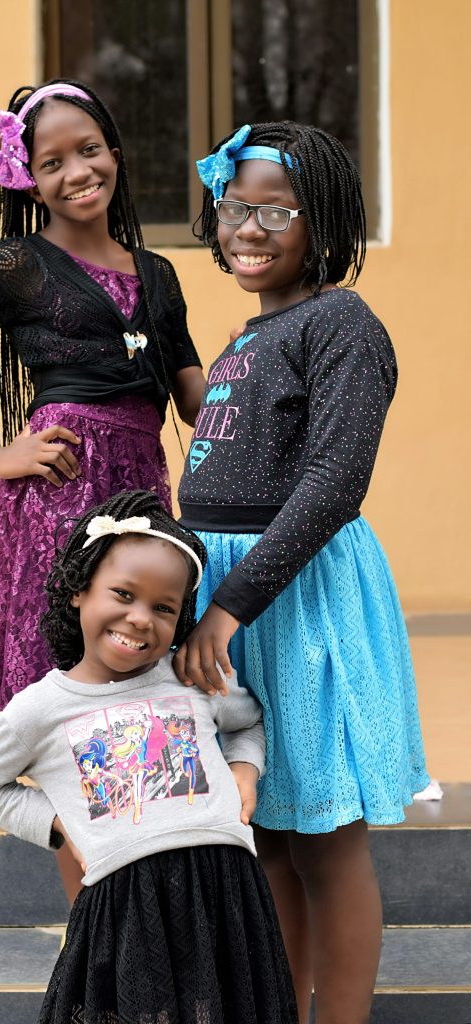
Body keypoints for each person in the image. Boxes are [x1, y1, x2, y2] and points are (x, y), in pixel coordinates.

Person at [174, 122, 430, 1024]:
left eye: (272, 211)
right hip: (230, 604)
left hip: (298, 598)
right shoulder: (248, 334)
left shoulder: (343, 324)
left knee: (324, 842)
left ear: (320, 224)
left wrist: (228, 608)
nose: (247, 226)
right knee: (266, 840)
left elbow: (332, 484)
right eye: (234, 205)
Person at [0, 79, 204, 714]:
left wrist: (251, 362)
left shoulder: (158, 272)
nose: (77, 173)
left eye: (88, 150)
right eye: (51, 163)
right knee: (61, 666)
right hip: (62, 484)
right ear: (27, 177)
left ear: (113, 151)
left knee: (134, 659)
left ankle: (122, 812)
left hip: (141, 484)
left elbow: (195, 400)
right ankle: (54, 814)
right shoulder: (14, 265)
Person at [0, 490, 298, 1024]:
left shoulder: (190, 674)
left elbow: (248, 722)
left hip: (226, 887)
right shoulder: (39, 709)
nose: (141, 618)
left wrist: (243, 768)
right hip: (126, 899)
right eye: (123, 594)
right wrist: (57, 826)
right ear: (79, 591)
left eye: (164, 608)